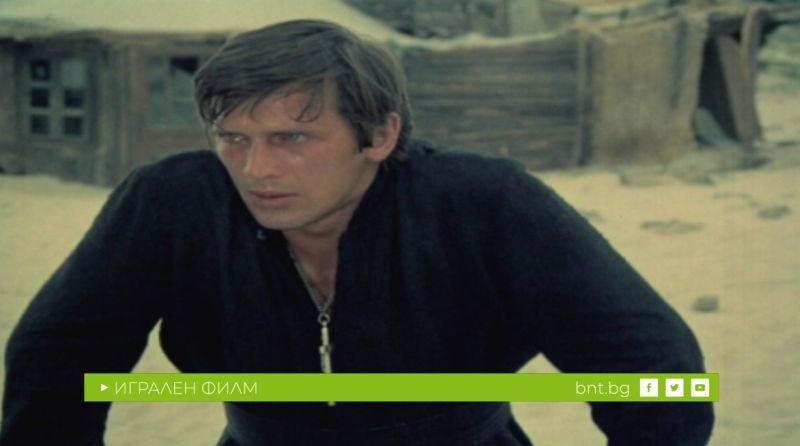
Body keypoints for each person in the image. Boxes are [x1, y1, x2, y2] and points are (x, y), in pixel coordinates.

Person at [1, 19, 713, 445]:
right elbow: (57, 357)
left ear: (379, 135)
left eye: (292, 137)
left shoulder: (483, 201)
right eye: (234, 138)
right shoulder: (171, 202)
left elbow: (650, 361)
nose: (255, 169)